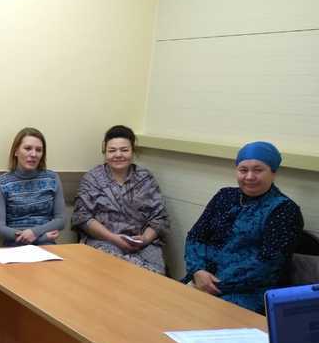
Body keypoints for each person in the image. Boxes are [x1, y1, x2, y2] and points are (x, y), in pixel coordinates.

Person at [183, 141, 303, 313]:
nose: (249, 176)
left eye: (258, 170)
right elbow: (196, 236)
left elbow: (270, 265)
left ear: (273, 172)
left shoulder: (284, 210)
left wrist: (216, 284)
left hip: (247, 292)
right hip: (201, 279)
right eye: (243, 170)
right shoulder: (224, 196)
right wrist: (197, 270)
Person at [71, 125, 169, 274]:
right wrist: (113, 238)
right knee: (115, 270)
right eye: (112, 150)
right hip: (103, 241)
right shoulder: (92, 179)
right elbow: (82, 217)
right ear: (105, 152)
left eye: (124, 150)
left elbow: (159, 218)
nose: (118, 155)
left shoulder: (146, 178)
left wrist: (144, 239)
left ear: (132, 151)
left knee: (155, 274)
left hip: (142, 244)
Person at [0, 127, 65, 246]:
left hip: (47, 245)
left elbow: (61, 220)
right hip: (15, 246)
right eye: (28, 148)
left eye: (39, 150)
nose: (33, 154)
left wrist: (34, 232)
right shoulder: (1, 183)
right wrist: (39, 238)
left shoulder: (52, 178)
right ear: (16, 151)